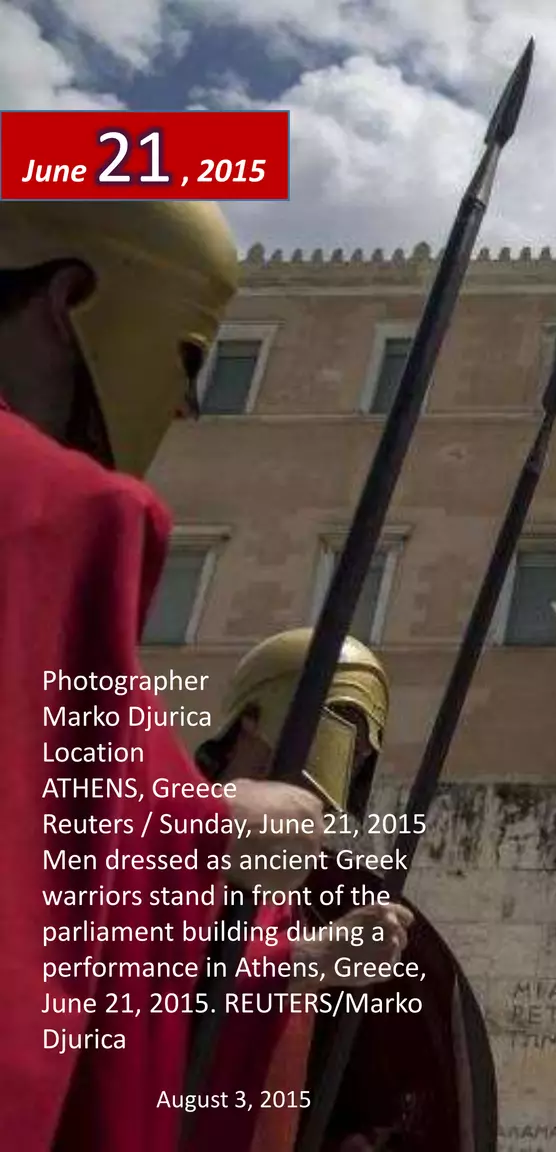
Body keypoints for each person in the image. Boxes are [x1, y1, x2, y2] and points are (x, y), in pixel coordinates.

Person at [1, 201, 322, 1148]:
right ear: (72, 298)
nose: (186, 404)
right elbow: (51, 824)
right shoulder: (62, 507)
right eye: (189, 357)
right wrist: (214, 824)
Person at [184, 629, 415, 1152]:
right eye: (342, 727)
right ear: (253, 719)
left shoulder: (290, 890)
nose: (353, 758)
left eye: (364, 745)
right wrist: (309, 959)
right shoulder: (171, 835)